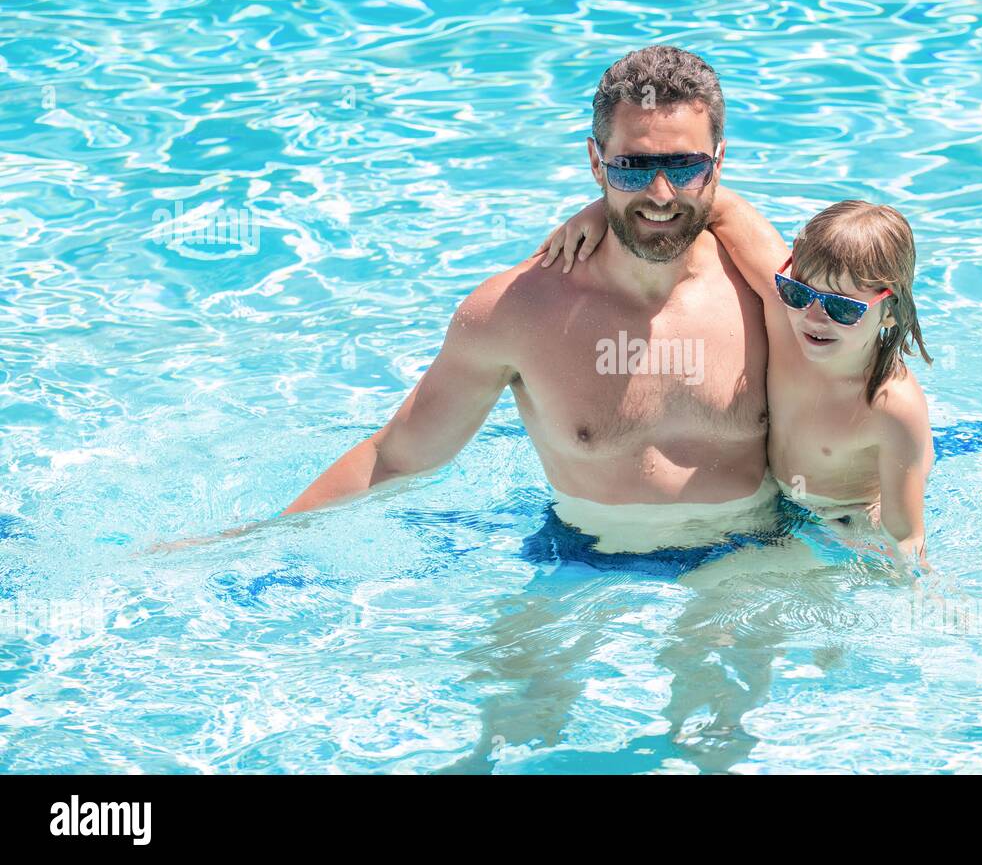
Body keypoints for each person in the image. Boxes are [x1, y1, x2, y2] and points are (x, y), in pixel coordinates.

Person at [271, 45, 780, 556]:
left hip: (751, 558)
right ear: (595, 164)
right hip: (584, 563)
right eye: (632, 167)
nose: (663, 194)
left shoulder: (776, 298)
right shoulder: (516, 311)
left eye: (685, 166)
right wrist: (256, 544)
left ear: (718, 163)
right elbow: (398, 457)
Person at [537, 187, 935, 569]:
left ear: (891, 312)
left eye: (842, 308)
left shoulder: (890, 408)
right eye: (799, 293)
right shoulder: (785, 319)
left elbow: (905, 537)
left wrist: (916, 589)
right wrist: (600, 213)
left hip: (841, 526)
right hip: (773, 502)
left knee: (715, 599)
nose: (814, 317)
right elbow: (713, 203)